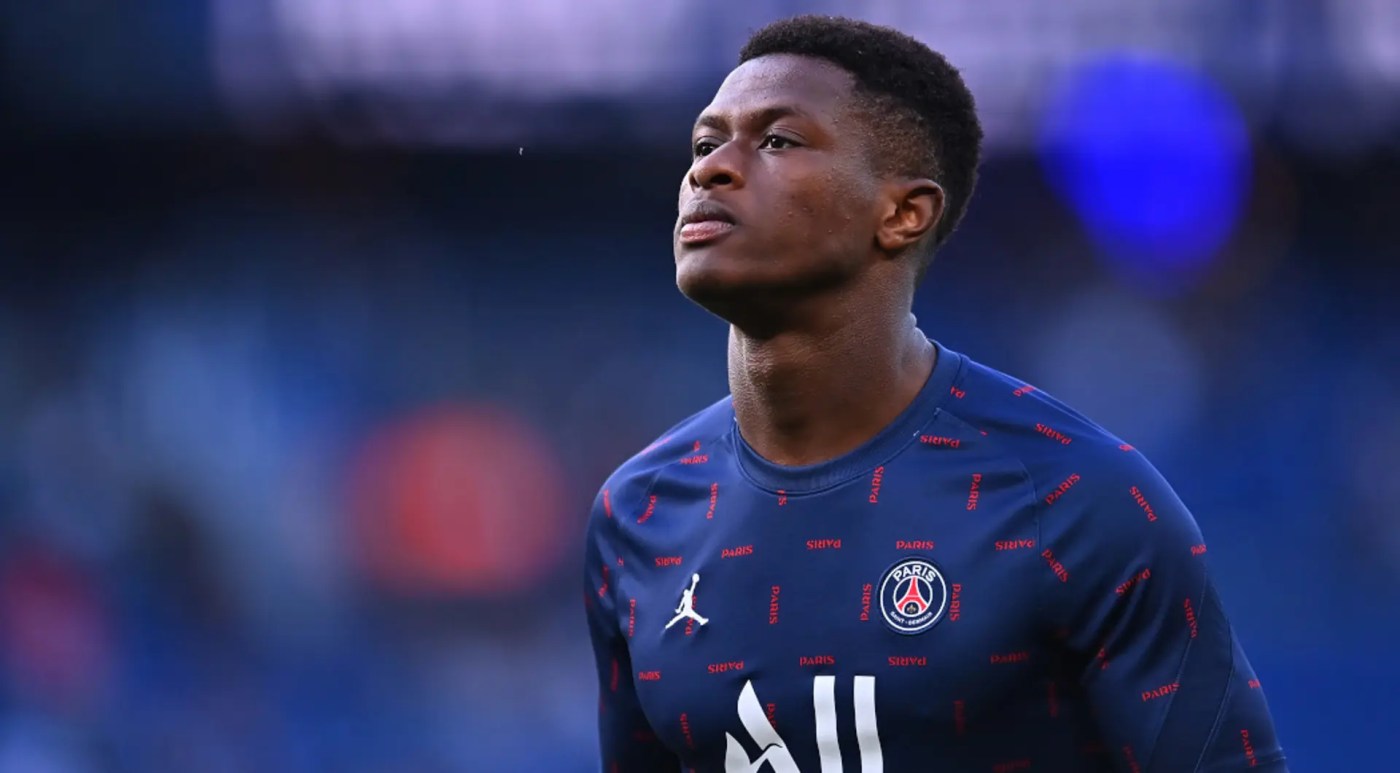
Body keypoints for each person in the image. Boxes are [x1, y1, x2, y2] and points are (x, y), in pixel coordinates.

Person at [583, 14, 1285, 772]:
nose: (711, 170)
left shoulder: (1076, 501)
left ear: (902, 214)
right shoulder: (640, 513)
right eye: (704, 144)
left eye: (778, 140)